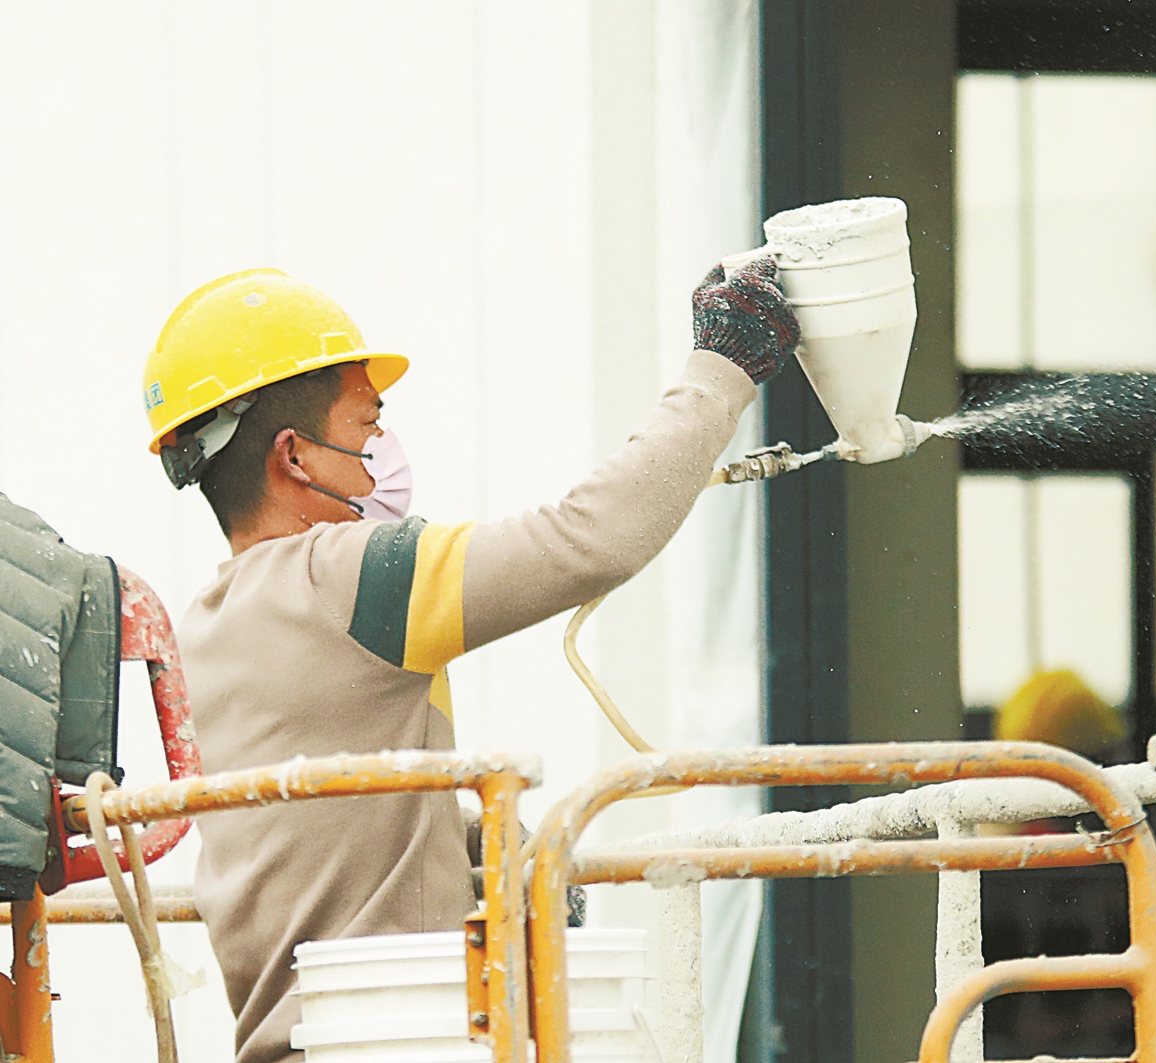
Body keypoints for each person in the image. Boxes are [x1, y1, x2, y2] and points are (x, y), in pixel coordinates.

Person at [141, 262, 796, 1063]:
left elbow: (312, 831)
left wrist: (461, 837)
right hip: (396, 1043)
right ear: (294, 457)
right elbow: (589, 537)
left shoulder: (206, 624)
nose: (381, 448)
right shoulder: (342, 574)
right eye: (363, 424)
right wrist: (720, 369)